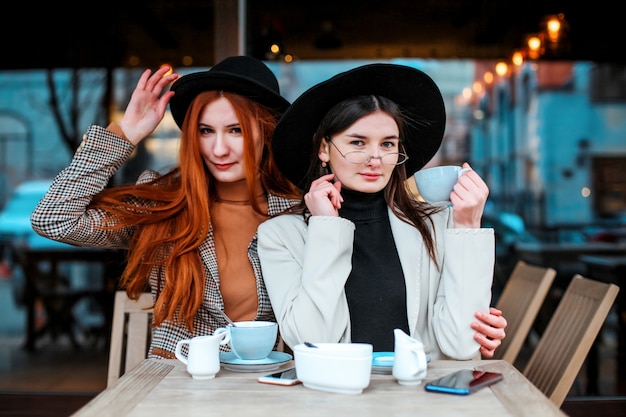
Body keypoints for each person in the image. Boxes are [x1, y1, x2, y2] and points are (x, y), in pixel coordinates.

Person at [31, 56, 300, 359]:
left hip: (264, 385)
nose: (219, 149)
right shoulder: (164, 202)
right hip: (177, 382)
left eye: (235, 130)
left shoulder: (296, 213)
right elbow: (53, 219)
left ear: (265, 131)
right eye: (205, 131)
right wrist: (126, 133)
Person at [257, 63, 507, 360]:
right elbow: (311, 343)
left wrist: (468, 225)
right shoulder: (281, 235)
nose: (375, 159)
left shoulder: (436, 224)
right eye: (358, 142)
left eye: (387, 143)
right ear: (323, 148)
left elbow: (462, 345)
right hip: (335, 400)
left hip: (418, 400)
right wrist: (326, 227)